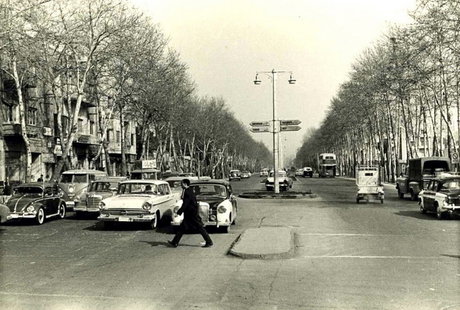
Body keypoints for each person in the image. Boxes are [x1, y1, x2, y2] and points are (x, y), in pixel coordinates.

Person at [168, 179, 213, 248]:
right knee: (182, 228)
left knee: (200, 227)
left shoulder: (187, 192)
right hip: (190, 213)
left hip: (191, 214)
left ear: (185, 184)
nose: (181, 185)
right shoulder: (189, 191)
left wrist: (179, 212)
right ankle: (175, 242)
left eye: (182, 184)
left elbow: (185, 204)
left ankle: (209, 241)